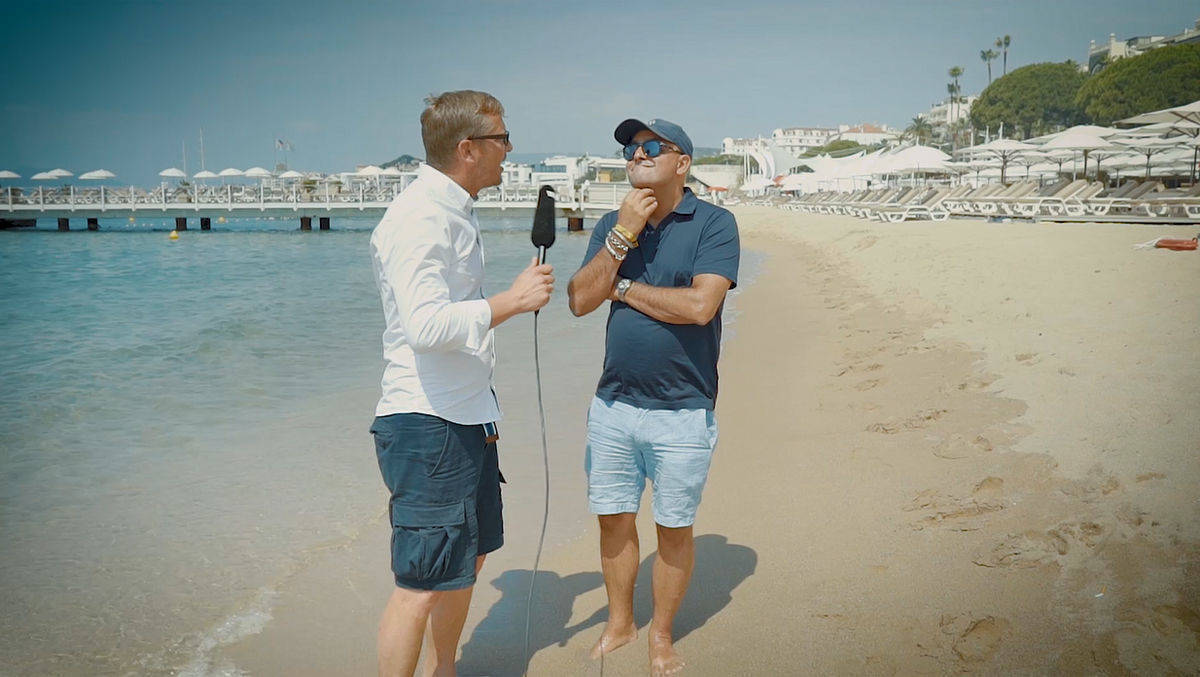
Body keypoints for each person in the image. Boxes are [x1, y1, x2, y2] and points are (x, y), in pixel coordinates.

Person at [368, 90, 554, 677]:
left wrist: (503, 299)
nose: (510, 151)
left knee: (467, 560)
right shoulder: (419, 216)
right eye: (502, 140)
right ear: (468, 148)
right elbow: (424, 328)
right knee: (420, 583)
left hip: (467, 416)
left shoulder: (453, 209)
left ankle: (443, 670)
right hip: (425, 422)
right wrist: (511, 301)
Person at [566, 118, 740, 675]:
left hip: (682, 409)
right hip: (612, 405)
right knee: (613, 521)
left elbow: (698, 308)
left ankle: (660, 634)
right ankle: (621, 622)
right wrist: (620, 238)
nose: (635, 155)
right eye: (628, 149)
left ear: (682, 162)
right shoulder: (613, 225)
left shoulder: (714, 223)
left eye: (649, 147)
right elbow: (577, 300)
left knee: (672, 526)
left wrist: (622, 287)